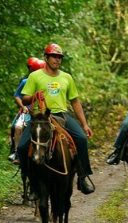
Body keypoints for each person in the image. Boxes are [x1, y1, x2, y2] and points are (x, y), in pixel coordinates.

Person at [18, 43, 95, 194]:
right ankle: (31, 181)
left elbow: (74, 101)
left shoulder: (67, 77)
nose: (57, 60)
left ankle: (82, 177)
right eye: (54, 56)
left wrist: (84, 124)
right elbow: (25, 98)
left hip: (61, 115)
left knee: (81, 138)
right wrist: (34, 96)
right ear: (46, 58)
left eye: (59, 57)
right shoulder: (35, 76)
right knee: (22, 147)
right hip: (40, 118)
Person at [9, 57, 45, 164]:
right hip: (28, 113)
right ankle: (17, 153)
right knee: (18, 127)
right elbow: (17, 96)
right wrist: (23, 107)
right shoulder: (25, 82)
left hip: (42, 113)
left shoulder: (45, 82)